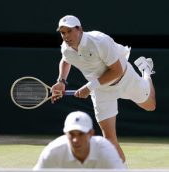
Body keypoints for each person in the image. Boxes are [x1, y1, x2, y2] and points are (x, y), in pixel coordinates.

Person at [51, 15, 156, 162]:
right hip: (102, 91)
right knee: (110, 141)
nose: (66, 36)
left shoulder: (99, 41)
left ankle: (146, 72)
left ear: (79, 29)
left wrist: (89, 87)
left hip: (125, 78)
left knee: (150, 106)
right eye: (63, 32)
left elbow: (117, 71)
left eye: (69, 31)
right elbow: (66, 60)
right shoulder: (66, 48)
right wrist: (61, 81)